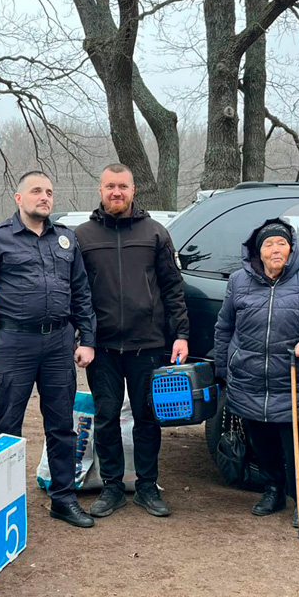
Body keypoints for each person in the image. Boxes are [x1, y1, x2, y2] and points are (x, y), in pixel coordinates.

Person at [0, 171, 97, 528]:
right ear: (18, 198)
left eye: (49, 192)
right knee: (7, 425)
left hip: (59, 343)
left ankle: (64, 498)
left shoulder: (66, 240)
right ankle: (0, 504)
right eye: (36, 191)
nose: (44, 197)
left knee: (61, 425)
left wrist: (87, 339)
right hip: (14, 344)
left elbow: (81, 293)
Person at [75, 164, 190, 519]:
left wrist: (181, 334)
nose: (116, 193)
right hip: (103, 347)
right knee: (107, 417)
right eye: (110, 186)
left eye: (122, 186)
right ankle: (112, 487)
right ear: (100, 190)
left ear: (133, 190)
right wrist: (82, 337)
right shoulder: (83, 236)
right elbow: (76, 294)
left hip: (149, 344)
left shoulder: (155, 233)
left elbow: (173, 288)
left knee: (147, 417)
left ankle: (146, 486)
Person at [213, 218, 299, 525]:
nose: (275, 249)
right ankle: (272, 490)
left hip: (296, 378)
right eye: (268, 244)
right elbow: (224, 327)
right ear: (258, 251)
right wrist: (224, 370)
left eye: (281, 243)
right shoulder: (238, 281)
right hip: (250, 377)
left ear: (292, 248)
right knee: (263, 442)